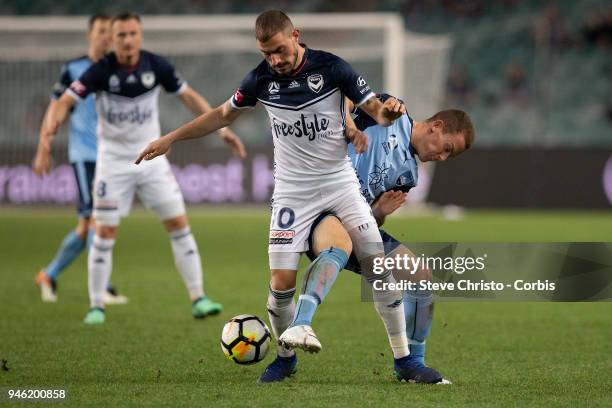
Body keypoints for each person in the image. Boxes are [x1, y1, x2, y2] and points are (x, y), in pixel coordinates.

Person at [135, 10, 412, 384]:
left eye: (280, 50)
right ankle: (285, 359)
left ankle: (404, 360)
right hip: (292, 192)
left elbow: (375, 109)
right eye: (267, 54)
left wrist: (388, 112)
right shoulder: (260, 79)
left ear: (295, 35)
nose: (275, 60)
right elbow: (220, 115)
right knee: (282, 283)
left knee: (378, 267)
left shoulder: (333, 68)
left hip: (339, 182)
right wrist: (170, 138)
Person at [43, 12, 246, 325]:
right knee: (104, 232)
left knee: (179, 224)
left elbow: (188, 97)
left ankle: (199, 298)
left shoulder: (156, 65)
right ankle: (97, 305)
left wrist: (222, 130)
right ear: (113, 38)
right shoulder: (101, 70)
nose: (127, 40)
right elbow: (65, 100)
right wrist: (52, 125)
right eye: (121, 35)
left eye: (132, 33)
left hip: (152, 160)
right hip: (112, 163)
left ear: (140, 35)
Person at [300, 94, 475, 383]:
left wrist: (378, 211)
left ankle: (411, 364)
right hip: (320, 210)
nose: (442, 158)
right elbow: (341, 97)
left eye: (449, 156)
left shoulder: (409, 176)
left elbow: (371, 220)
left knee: (421, 277)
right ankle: (296, 333)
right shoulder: (390, 111)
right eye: (446, 148)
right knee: (282, 280)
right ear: (436, 126)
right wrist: (351, 126)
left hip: (356, 224)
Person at [33, 14, 127, 305]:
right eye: (101, 31)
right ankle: (103, 286)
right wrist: (43, 145)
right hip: (85, 155)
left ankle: (49, 275)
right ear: (90, 34)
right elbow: (56, 106)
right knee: (93, 219)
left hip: (110, 156)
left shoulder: (117, 69)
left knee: (89, 225)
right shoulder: (73, 68)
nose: (106, 37)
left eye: (109, 32)